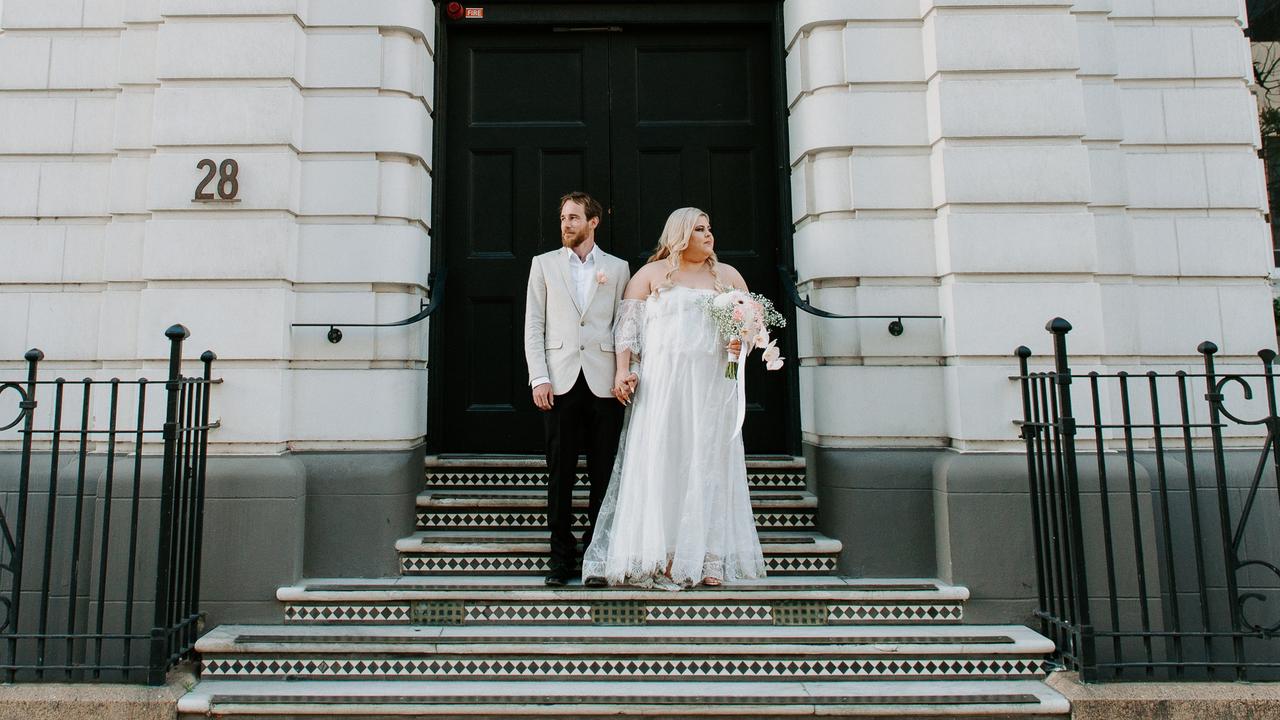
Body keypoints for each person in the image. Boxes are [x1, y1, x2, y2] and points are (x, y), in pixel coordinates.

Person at [581, 207, 766, 589]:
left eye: (710, 228)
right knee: (665, 461)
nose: (708, 235)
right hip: (663, 387)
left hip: (713, 385)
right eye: (699, 229)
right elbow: (627, 333)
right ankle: (664, 552)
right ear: (680, 235)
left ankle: (710, 556)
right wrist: (622, 371)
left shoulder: (728, 276)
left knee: (710, 464)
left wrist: (742, 339)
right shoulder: (650, 275)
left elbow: (753, 328)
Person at [524, 192, 632, 587]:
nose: (566, 224)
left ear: (593, 222)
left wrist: (626, 372)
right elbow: (534, 325)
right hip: (560, 381)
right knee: (561, 474)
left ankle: (595, 556)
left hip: (605, 384)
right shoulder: (544, 265)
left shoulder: (618, 269)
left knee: (603, 475)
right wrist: (540, 377)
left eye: (573, 217)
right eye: (563, 217)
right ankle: (560, 557)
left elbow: (626, 326)